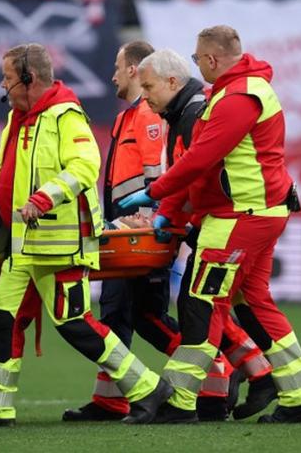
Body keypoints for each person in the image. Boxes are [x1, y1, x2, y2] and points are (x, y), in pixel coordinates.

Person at [0, 43, 171, 428]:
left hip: (59, 247)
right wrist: (0, 210)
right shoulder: (22, 117)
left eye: (7, 78)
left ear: (29, 79)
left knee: (76, 326)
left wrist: (42, 199)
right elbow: (15, 176)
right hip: (23, 246)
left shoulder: (64, 115)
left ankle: (149, 388)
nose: (3, 85)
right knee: (2, 320)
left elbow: (85, 166)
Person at [119, 26, 301, 424]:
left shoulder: (236, 98)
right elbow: (203, 162)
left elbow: (201, 159)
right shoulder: (238, 92)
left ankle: (179, 401)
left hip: (239, 217)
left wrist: (156, 194)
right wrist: (172, 206)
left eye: (198, 59)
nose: (196, 65)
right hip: (255, 214)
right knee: (253, 303)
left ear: (212, 60)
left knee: (200, 302)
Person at [137, 48, 278, 421]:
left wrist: (160, 202)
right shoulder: (184, 111)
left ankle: (201, 394)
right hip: (219, 218)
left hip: (223, 220)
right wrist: (168, 213)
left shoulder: (196, 111)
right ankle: (244, 383)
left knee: (200, 306)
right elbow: (190, 170)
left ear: (171, 82)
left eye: (147, 85)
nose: (143, 94)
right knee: (217, 304)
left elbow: (196, 168)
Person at [64, 40, 178, 422]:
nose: (112, 75)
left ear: (133, 69)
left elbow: (159, 174)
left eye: (117, 67)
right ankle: (110, 400)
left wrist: (155, 219)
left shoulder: (146, 115)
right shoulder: (130, 116)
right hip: (124, 231)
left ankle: (219, 375)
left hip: (140, 233)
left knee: (146, 315)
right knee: (119, 313)